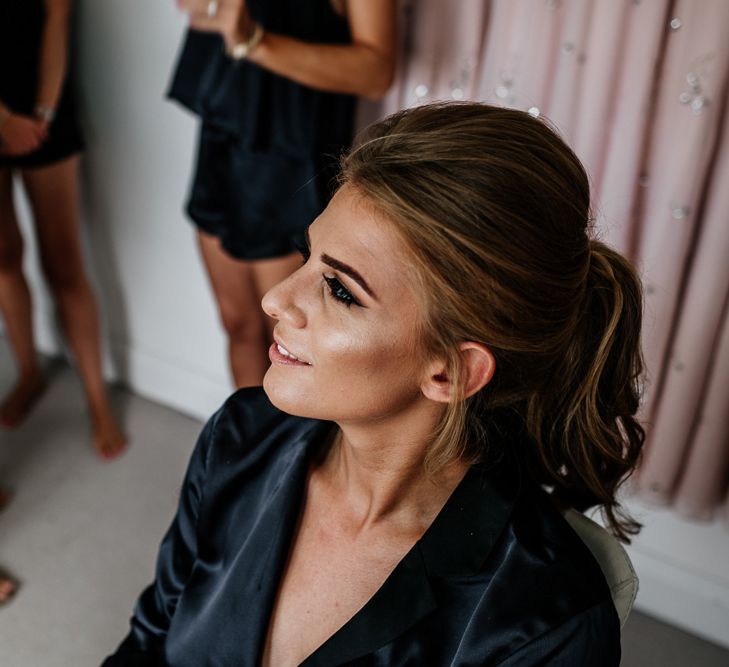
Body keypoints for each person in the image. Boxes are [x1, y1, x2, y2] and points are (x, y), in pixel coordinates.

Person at [104, 102, 645, 666]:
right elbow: (151, 642)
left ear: (450, 372)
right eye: (307, 255)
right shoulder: (239, 440)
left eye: (340, 290)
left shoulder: (541, 623)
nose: (276, 299)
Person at [169, 0, 396, 388]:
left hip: (291, 163)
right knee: (237, 324)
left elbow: (376, 71)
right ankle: (245, 445)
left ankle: (294, 448)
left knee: (293, 346)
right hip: (221, 142)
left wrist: (254, 41)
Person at [0, 0, 126, 458]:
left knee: (64, 263)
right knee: (3, 259)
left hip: (42, 109)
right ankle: (29, 373)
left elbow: (58, 16)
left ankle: (98, 404)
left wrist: (40, 117)